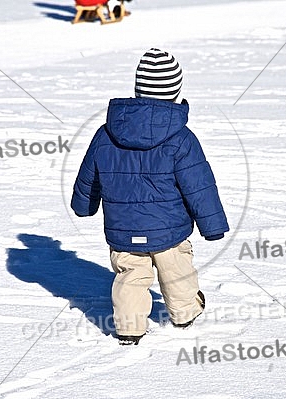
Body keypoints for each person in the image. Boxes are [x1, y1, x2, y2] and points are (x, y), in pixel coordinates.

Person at [71, 48, 229, 345]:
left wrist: (84, 205)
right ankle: (185, 313)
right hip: (169, 230)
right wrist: (212, 225)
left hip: (123, 230)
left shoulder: (106, 134)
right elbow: (200, 185)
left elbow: (89, 175)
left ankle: (129, 328)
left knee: (131, 276)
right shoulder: (182, 138)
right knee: (176, 271)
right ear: (175, 93)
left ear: (138, 89)